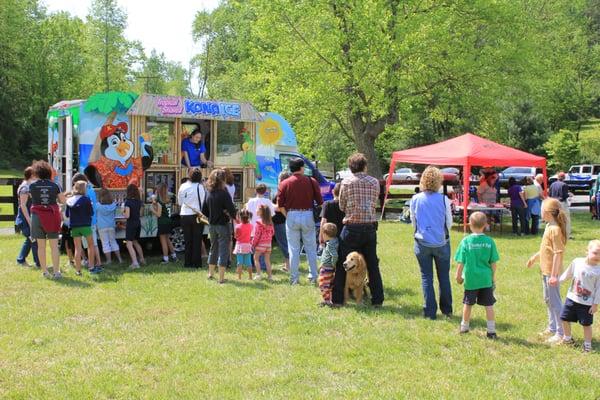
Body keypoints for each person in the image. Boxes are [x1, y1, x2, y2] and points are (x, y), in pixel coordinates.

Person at [332, 153, 384, 307]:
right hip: (369, 228)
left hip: (351, 227)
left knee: (344, 262)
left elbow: (341, 206)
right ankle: (377, 300)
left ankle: (338, 299)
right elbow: (375, 200)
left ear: (350, 167)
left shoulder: (346, 183)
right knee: (372, 264)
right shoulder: (374, 182)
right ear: (365, 166)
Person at [410, 166, 453, 319]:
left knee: (426, 277)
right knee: (444, 277)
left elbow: (413, 221)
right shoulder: (443, 199)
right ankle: (447, 310)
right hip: (441, 242)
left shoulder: (415, 199)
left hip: (422, 242)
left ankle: (429, 312)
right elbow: (449, 222)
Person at [526, 198, 569, 344]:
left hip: (552, 273)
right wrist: (534, 258)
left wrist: (554, 275)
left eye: (541, 210)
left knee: (555, 302)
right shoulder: (549, 227)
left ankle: (561, 332)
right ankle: (552, 327)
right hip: (545, 271)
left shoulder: (555, 230)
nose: (539, 212)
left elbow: (558, 253)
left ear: (548, 213)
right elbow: (546, 249)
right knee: (548, 300)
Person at [277, 157, 323, 285]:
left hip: (291, 214)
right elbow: (320, 202)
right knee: (311, 248)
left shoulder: (284, 183)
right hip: (308, 214)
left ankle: (294, 279)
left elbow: (280, 205)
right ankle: (313, 276)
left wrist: (288, 216)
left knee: (293, 249)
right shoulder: (311, 181)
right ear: (302, 168)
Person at [454, 211, 499, 339]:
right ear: (485, 224)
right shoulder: (490, 242)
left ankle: (464, 327)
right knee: (489, 305)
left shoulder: (466, 241)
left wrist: (458, 276)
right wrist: (492, 277)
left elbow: (461, 262)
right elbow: (493, 263)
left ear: (469, 225)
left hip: (471, 279)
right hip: (486, 279)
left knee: (468, 304)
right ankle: (491, 331)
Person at [558, 240, 600, 352]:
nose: (598, 256)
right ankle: (567, 339)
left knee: (586, 324)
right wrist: (558, 280)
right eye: (595, 252)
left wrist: (595, 304)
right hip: (571, 298)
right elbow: (568, 273)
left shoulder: (598, 271)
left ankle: (587, 346)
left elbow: (598, 290)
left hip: (586, 304)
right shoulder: (577, 262)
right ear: (587, 251)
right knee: (564, 318)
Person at [29, 160, 65, 279]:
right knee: (54, 246)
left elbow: (31, 197)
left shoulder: (32, 186)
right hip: (51, 216)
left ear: (36, 172)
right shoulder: (55, 185)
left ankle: (44, 272)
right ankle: (56, 272)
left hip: (37, 216)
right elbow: (62, 201)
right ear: (48, 172)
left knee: (41, 246)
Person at [202, 169, 237, 283]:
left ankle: (210, 273)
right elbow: (232, 210)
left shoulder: (208, 192)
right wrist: (228, 213)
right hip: (223, 224)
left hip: (212, 225)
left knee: (213, 248)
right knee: (223, 250)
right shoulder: (224, 193)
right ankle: (221, 278)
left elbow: (204, 211)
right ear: (223, 180)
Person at [66, 181, 97, 275]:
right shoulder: (86, 199)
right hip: (86, 226)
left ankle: (78, 271)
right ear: (83, 189)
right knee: (90, 246)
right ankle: (91, 267)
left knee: (77, 248)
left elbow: (67, 214)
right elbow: (91, 213)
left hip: (74, 227)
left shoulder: (70, 200)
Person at [177, 168, 206, 269]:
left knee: (187, 239)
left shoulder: (183, 186)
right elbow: (202, 201)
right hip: (196, 215)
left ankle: (187, 262)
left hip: (184, 214)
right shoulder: (200, 187)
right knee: (197, 240)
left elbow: (180, 202)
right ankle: (196, 263)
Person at [72, 173, 102, 269]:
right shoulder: (91, 190)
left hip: (87, 222)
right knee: (92, 244)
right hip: (91, 221)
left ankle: (95, 263)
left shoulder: (85, 192)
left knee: (90, 245)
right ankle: (95, 262)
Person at [15, 166, 40, 268]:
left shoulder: (28, 186)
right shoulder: (25, 188)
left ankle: (21, 260)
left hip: (27, 218)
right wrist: (29, 221)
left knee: (30, 239)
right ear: (32, 175)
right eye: (36, 174)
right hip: (25, 219)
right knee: (34, 239)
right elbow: (23, 206)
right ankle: (38, 263)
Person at [150, 183, 177, 264]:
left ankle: (165, 259)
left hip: (162, 222)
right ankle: (174, 256)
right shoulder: (168, 199)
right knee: (168, 240)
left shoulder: (159, 201)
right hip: (169, 221)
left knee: (163, 241)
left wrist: (152, 210)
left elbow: (158, 214)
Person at [96, 189, 123, 265]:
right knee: (113, 241)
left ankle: (109, 260)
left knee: (105, 243)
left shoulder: (97, 205)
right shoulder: (113, 205)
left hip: (101, 226)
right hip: (111, 225)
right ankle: (120, 259)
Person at [123, 183, 145, 269]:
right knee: (136, 242)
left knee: (129, 244)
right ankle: (142, 259)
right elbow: (141, 213)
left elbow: (127, 216)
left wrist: (123, 212)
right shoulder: (139, 201)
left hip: (131, 224)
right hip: (138, 223)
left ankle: (135, 263)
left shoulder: (128, 202)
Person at [273, 171, 291, 272]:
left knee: (284, 243)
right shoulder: (287, 190)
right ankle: (286, 263)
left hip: (280, 221)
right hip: (281, 221)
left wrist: (269, 206)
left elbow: (280, 207)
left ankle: (288, 265)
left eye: (279, 179)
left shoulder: (283, 191)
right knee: (285, 243)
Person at [251, 205, 275, 281]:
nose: (256, 210)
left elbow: (256, 235)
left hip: (260, 244)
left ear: (261, 212)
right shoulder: (270, 223)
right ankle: (270, 276)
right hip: (268, 244)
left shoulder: (259, 223)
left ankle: (258, 275)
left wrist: (253, 244)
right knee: (267, 260)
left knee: (256, 258)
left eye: (257, 209)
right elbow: (273, 233)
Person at [318, 222, 339, 307]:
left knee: (323, 284)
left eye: (322, 233)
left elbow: (334, 255)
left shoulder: (330, 244)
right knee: (328, 284)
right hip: (327, 267)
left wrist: (333, 264)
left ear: (326, 234)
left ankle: (327, 301)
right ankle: (328, 299)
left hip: (327, 268)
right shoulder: (335, 240)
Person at [549, 171, 572, 238]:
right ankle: (567, 235)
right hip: (561, 203)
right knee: (566, 219)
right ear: (564, 177)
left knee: (554, 219)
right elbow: (563, 195)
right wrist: (569, 194)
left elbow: (550, 194)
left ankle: (554, 234)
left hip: (553, 203)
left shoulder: (552, 184)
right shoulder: (564, 185)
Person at [234, 209, 253, 280]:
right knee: (249, 262)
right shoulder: (251, 225)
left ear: (240, 216)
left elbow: (236, 236)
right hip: (247, 245)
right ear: (248, 216)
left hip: (240, 246)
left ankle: (239, 278)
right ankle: (250, 277)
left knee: (239, 262)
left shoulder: (237, 226)